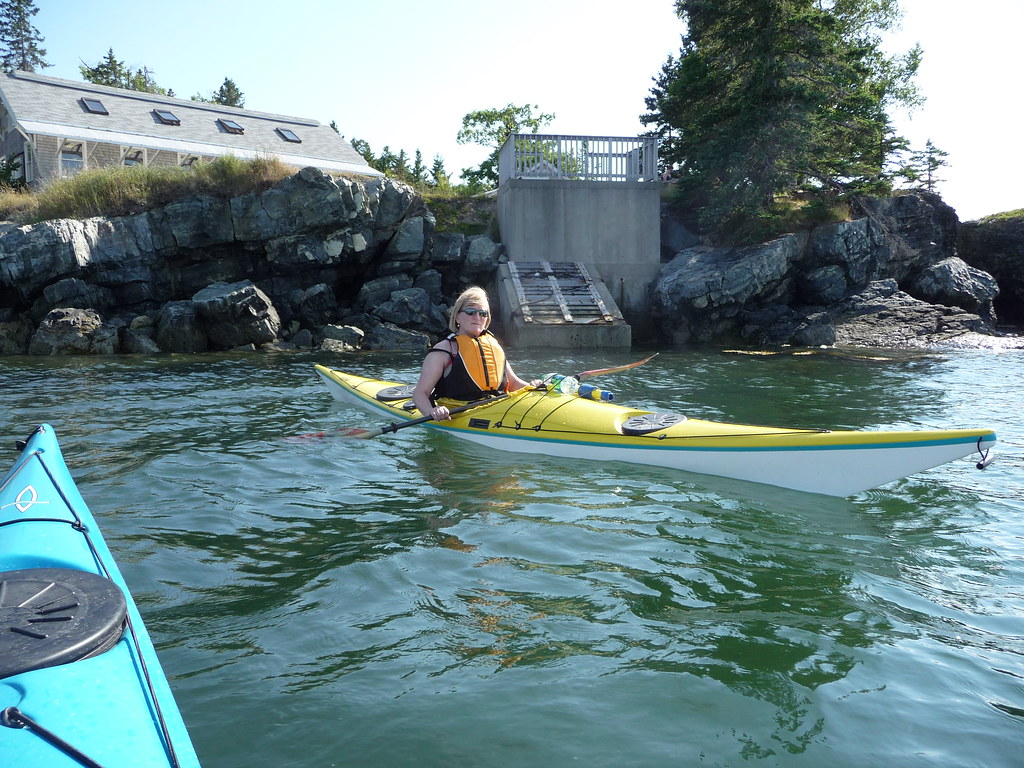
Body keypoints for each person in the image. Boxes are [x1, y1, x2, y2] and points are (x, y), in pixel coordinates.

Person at [412, 286, 536, 421]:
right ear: (458, 317)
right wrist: (432, 411)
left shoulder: (494, 346)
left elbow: (512, 384)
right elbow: (420, 393)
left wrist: (534, 387)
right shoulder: (443, 351)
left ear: (487, 319)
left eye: (483, 313)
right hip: (459, 415)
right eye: (471, 312)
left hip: (497, 409)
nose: (477, 317)